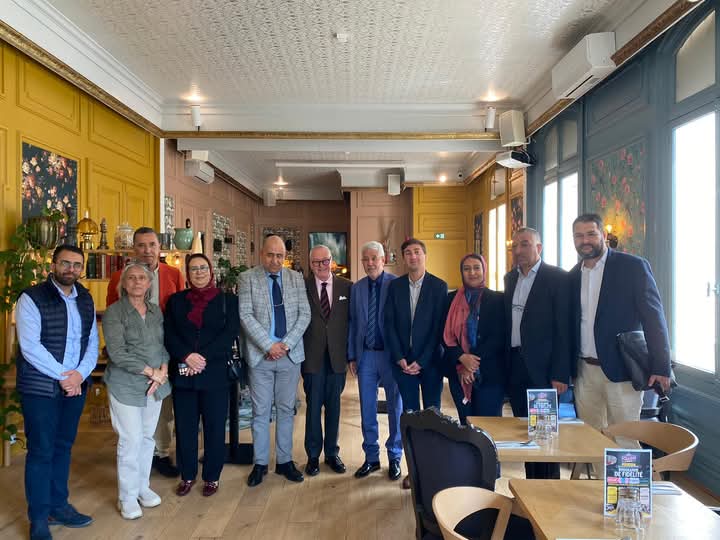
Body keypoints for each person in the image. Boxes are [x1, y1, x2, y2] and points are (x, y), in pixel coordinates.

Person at [15, 244, 98, 540]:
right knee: (41, 451)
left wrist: (79, 375)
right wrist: (66, 377)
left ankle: (59, 506)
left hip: (74, 386)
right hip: (41, 389)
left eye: (77, 265)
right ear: (53, 265)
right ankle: (39, 517)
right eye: (65, 263)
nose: (70, 269)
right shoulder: (31, 297)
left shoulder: (85, 298)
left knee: (63, 447)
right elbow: (30, 347)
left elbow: (92, 342)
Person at [570, 214, 672, 447]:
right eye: (579, 236)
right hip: (585, 372)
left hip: (621, 371)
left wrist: (661, 366)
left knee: (626, 440)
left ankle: (630, 475)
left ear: (604, 235)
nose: (585, 240)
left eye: (591, 234)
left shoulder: (633, 267)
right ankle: (598, 474)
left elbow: (654, 318)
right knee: (591, 440)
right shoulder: (573, 276)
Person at [107, 226, 185, 478]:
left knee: (161, 406)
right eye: (141, 245)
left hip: (163, 352)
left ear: (159, 248)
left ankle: (160, 453)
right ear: (134, 249)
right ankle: (137, 458)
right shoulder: (119, 277)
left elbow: (181, 310)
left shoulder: (173, 274)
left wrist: (165, 363)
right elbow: (114, 313)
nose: (147, 250)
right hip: (131, 356)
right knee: (133, 412)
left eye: (152, 244)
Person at [164, 254, 239, 497]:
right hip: (184, 373)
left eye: (203, 268)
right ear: (187, 274)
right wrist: (187, 355)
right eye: (194, 269)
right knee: (185, 428)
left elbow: (229, 334)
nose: (199, 272)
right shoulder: (175, 301)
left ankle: (212, 477)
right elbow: (169, 334)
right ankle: (187, 475)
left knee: (215, 428)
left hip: (215, 373)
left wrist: (201, 357)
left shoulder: (228, 300)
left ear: (211, 271)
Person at [239, 235, 311, 487]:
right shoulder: (247, 278)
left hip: (290, 356)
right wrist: (268, 345)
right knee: (260, 411)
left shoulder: (295, 278)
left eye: (280, 256)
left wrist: (285, 344)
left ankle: (284, 461)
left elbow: (305, 314)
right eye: (270, 255)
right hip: (261, 357)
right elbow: (245, 315)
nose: (275, 260)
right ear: (262, 254)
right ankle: (260, 463)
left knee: (286, 410)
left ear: (285, 257)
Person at [103, 261, 171, 520]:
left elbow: (162, 345)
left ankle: (142, 487)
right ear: (123, 284)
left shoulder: (155, 311)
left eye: (142, 278)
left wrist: (162, 371)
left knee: (147, 438)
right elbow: (117, 353)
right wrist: (151, 372)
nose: (137, 282)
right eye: (131, 278)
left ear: (149, 283)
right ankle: (127, 497)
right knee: (130, 440)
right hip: (125, 385)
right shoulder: (114, 313)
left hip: (155, 385)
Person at [504, 227, 571, 480]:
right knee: (525, 434)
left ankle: (549, 488)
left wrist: (560, 373)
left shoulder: (557, 278)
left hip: (544, 371)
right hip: (516, 366)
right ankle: (531, 486)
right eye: (515, 246)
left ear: (538, 248)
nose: (518, 250)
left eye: (525, 244)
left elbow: (564, 329)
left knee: (545, 435)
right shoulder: (510, 278)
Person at [384, 238, 448, 489]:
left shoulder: (439, 286)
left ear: (425, 256)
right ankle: (414, 471)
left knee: (432, 418)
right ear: (403, 258)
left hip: (430, 363)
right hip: (403, 365)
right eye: (408, 253)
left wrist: (421, 360)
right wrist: (399, 357)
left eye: (417, 252)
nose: (413, 256)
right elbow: (389, 324)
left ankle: (433, 471)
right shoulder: (395, 286)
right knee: (411, 419)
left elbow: (438, 329)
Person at [348, 241, 403, 481]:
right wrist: (352, 354)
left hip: (391, 356)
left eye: (374, 258)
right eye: (366, 259)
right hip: (366, 355)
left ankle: (395, 456)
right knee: (367, 408)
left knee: (395, 407)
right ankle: (371, 457)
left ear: (383, 260)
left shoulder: (396, 284)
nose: (370, 263)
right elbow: (353, 323)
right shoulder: (357, 288)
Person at [301, 245, 352, 476]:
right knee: (313, 408)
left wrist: (351, 356)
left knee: (334, 407)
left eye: (325, 261)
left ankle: (332, 453)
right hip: (311, 357)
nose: (321, 265)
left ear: (332, 261)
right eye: (316, 262)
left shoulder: (347, 287)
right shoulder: (302, 286)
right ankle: (313, 456)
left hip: (337, 357)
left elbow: (352, 322)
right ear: (310, 264)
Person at [444, 254, 506, 425]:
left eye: (476, 268)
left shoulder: (497, 300)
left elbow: (499, 337)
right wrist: (461, 358)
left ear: (484, 270)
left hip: (490, 374)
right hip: (458, 373)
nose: (472, 273)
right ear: (461, 272)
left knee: (489, 426)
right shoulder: (450, 300)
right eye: (467, 269)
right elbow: (443, 335)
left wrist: (471, 364)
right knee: (466, 425)